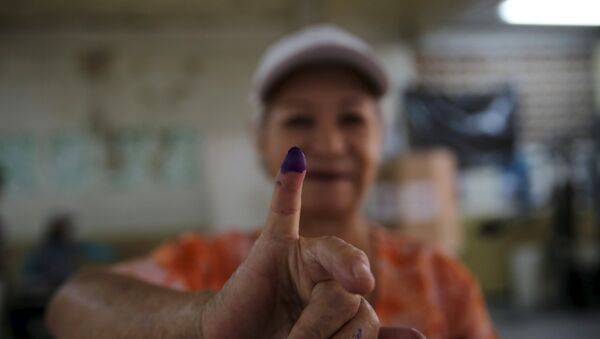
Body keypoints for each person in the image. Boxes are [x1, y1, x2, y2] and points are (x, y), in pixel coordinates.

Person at [46, 25, 496, 339]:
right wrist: (204, 322)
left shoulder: (442, 279)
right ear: (260, 141)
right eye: (300, 117)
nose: (330, 142)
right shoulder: (204, 264)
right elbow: (72, 304)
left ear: (382, 139)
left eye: (353, 119)